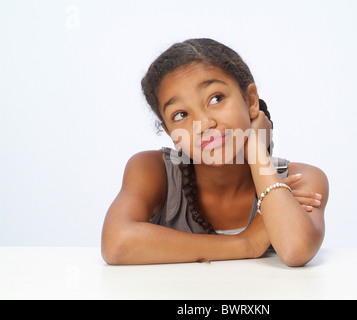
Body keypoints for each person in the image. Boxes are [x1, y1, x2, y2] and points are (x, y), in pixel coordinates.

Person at [101, 38, 329, 267]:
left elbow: (296, 250)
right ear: (171, 134)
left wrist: (255, 148)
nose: (203, 124)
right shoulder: (152, 170)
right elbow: (117, 244)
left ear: (251, 101)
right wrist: (246, 243)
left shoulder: (301, 180)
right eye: (181, 115)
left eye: (215, 99)